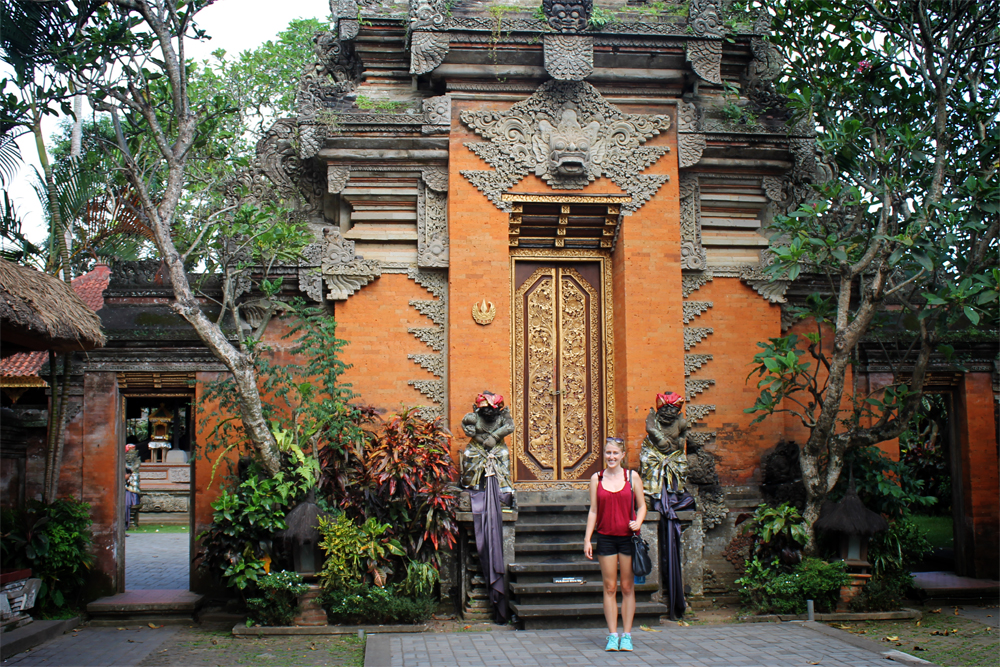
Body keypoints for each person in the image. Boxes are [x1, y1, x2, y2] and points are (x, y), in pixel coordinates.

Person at [584, 437, 647, 652]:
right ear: (605, 454)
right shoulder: (597, 478)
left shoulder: (632, 477)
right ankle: (612, 635)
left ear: (622, 455)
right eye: (608, 453)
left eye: (615, 453)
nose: (611, 457)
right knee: (610, 587)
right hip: (606, 537)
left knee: (628, 587)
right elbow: (593, 510)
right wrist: (587, 538)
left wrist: (637, 521)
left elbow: (642, 506)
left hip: (628, 538)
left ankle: (627, 635)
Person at [125, 443, 141, 531]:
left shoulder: (137, 462)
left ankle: (131, 521)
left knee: (133, 501)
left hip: (133, 485)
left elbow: (134, 468)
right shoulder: (123, 462)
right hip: (126, 486)